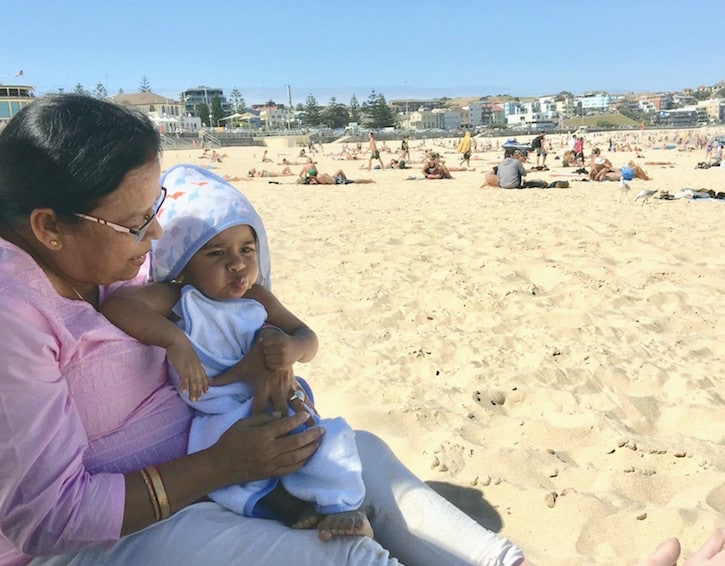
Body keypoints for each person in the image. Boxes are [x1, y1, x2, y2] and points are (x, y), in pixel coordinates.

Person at [0, 94, 530, 565]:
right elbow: (49, 517)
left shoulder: (102, 261)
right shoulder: (14, 318)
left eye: (154, 210)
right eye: (136, 223)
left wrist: (266, 373)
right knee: (345, 557)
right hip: (107, 532)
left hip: (213, 458)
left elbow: (225, 280)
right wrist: (219, 466)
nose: (155, 232)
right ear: (47, 227)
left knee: (362, 455)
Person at [101, 164, 372, 540]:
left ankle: (342, 507)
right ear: (184, 265)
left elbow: (308, 337)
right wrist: (175, 341)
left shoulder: (256, 296)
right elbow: (118, 306)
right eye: (215, 253)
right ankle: (277, 502)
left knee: (323, 438)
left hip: (276, 395)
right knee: (216, 445)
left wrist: (292, 348)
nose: (238, 264)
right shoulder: (182, 298)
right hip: (218, 407)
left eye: (247, 249)